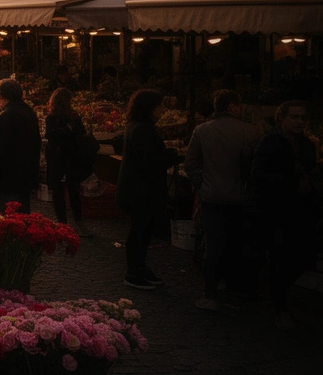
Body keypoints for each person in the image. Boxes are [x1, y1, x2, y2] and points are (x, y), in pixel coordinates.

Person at [187, 90, 260, 312]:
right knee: (238, 243)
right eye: (239, 104)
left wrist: (204, 183)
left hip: (212, 197)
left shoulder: (201, 130)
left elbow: (191, 164)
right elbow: (254, 168)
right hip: (241, 197)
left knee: (214, 243)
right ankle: (236, 289)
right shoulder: (252, 132)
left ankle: (210, 292)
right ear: (232, 106)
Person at [248, 100, 319, 330]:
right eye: (294, 117)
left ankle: (276, 289)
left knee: (305, 256)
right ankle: (281, 308)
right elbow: (258, 175)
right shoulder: (270, 142)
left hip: (300, 211)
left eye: (302, 117)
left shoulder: (307, 145)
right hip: (274, 210)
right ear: (282, 118)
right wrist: (292, 183)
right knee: (279, 256)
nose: (299, 121)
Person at [116, 89, 179, 290]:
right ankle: (134, 272)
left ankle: (139, 268)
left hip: (139, 189)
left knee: (142, 231)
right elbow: (150, 160)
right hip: (141, 191)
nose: (162, 110)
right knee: (139, 231)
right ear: (149, 108)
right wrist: (172, 154)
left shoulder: (138, 126)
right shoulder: (143, 129)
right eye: (159, 106)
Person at [0, 78, 42, 212]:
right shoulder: (29, 112)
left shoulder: (5, 116)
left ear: (2, 96)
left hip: (7, 177)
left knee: (8, 215)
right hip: (26, 174)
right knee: (23, 212)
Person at [44, 88, 93, 237]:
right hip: (70, 158)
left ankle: (63, 223)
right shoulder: (71, 117)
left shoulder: (54, 117)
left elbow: (49, 134)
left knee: (61, 192)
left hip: (60, 158)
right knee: (72, 191)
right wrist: (68, 130)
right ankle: (75, 222)